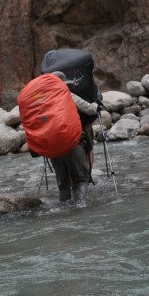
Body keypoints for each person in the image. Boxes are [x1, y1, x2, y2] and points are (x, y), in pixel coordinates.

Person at [47, 70, 99, 202]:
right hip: (70, 141)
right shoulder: (67, 95)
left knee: (63, 183)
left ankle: (64, 209)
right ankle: (80, 208)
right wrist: (96, 104)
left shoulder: (44, 101)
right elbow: (89, 109)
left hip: (51, 145)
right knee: (82, 179)